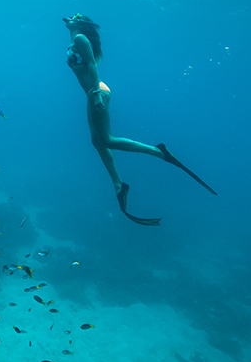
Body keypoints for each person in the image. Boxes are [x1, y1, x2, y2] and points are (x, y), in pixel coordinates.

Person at [64, 13, 217, 225]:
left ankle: (159, 152)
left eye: (76, 16)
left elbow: (91, 65)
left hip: (96, 92)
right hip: (91, 93)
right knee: (96, 141)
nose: (70, 17)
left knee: (107, 139)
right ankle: (119, 185)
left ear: (82, 23)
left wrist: (97, 94)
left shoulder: (80, 38)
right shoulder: (76, 38)